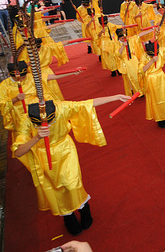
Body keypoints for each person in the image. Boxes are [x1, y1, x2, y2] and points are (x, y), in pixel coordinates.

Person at [13, 93, 130, 235]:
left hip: (65, 151)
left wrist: (115, 97)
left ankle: (84, 210)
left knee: (72, 183)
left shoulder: (61, 108)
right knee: (56, 189)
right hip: (43, 157)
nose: (48, 125)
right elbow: (18, 151)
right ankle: (68, 218)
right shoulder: (27, 120)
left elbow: (86, 103)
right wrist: (37, 137)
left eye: (51, 121)